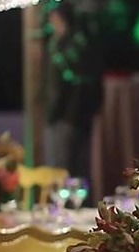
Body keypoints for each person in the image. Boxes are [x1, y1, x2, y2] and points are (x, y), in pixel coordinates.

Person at [43, 5, 103, 179]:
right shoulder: (78, 44)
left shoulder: (65, 47)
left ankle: (70, 196)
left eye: (53, 18)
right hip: (74, 115)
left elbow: (66, 83)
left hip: (65, 115)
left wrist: (54, 114)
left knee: (62, 167)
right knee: (75, 166)